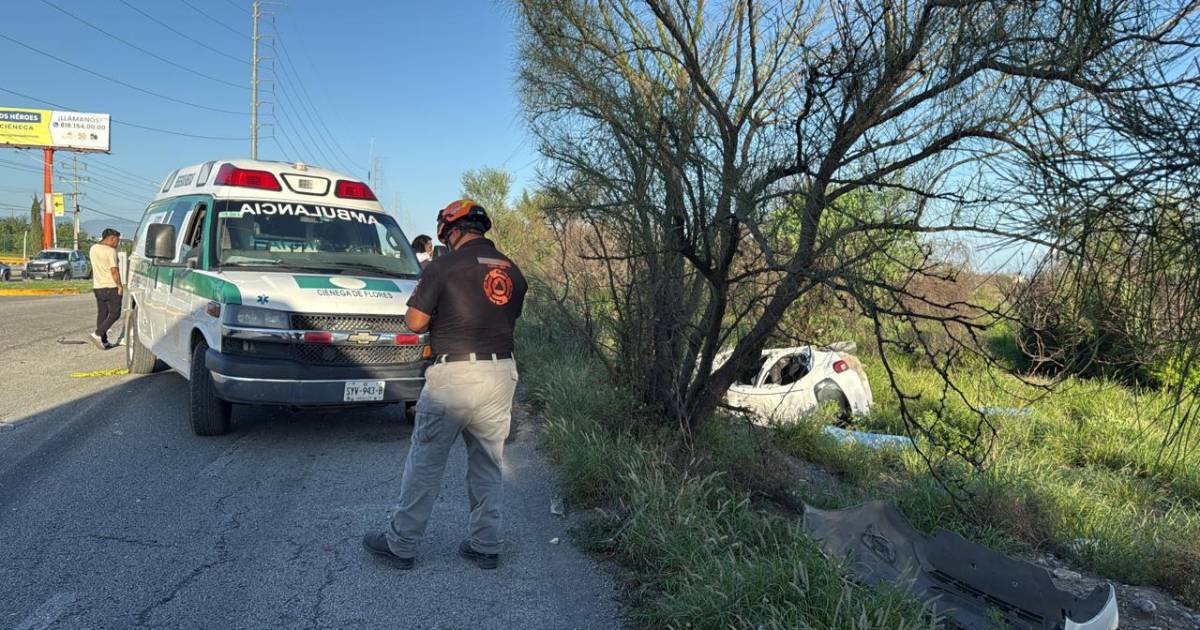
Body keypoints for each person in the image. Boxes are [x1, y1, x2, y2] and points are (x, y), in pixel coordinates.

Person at [363, 199, 528, 570]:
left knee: (426, 461)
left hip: (455, 375)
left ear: (450, 231)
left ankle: (401, 544)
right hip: (501, 372)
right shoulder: (513, 271)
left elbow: (416, 322)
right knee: (487, 462)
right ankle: (486, 544)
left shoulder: (444, 265)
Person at [87, 229, 124, 350]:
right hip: (111, 286)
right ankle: (97, 334)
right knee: (115, 313)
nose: (117, 244)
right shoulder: (110, 251)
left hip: (98, 287)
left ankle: (104, 341)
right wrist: (119, 285)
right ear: (112, 238)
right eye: (117, 240)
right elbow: (114, 271)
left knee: (102, 313)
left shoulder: (93, 248)